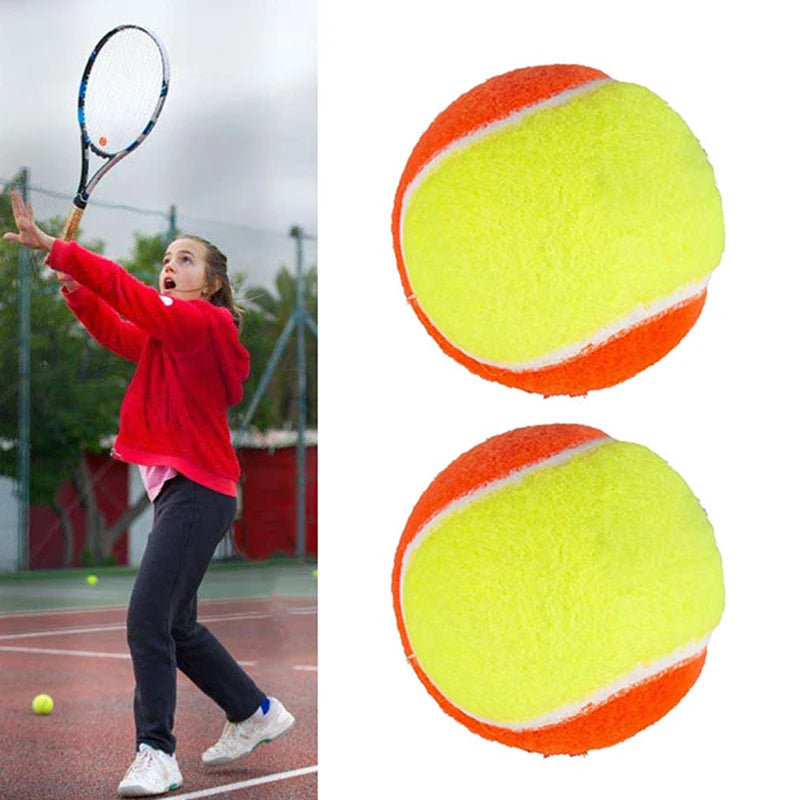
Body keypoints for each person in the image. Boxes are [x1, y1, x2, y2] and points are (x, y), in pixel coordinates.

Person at [4, 193, 295, 798]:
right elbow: (118, 328)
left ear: (212, 285)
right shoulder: (170, 335)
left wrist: (64, 250)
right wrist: (75, 287)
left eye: (186, 260)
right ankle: (255, 711)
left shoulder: (204, 324)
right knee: (177, 625)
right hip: (181, 493)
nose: (170, 264)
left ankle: (157, 751)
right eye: (168, 257)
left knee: (146, 618)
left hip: (200, 492)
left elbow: (133, 298)